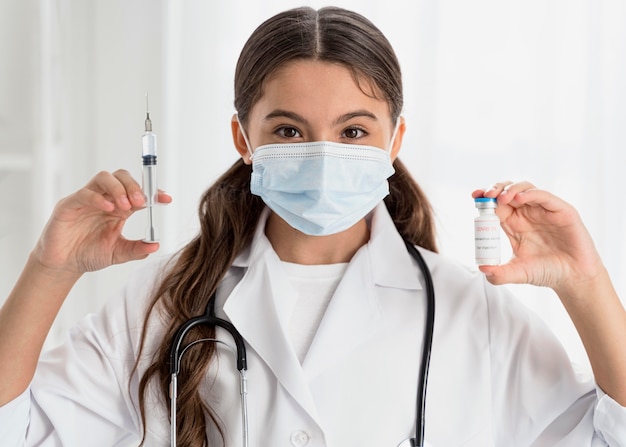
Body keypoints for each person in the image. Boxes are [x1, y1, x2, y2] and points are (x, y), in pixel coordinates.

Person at [0, 5, 625, 447]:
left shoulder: (469, 310)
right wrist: (50, 270)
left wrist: (585, 284)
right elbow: (18, 430)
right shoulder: (167, 300)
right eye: (289, 130)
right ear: (243, 139)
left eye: (354, 131)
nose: (323, 153)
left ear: (394, 139)